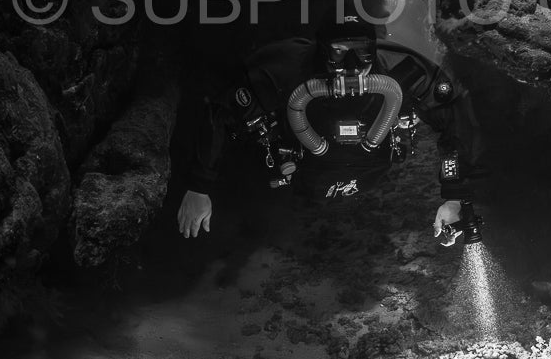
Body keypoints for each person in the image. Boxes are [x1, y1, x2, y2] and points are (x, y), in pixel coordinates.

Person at [177, 14, 484, 245]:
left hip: (372, 172)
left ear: (374, 49)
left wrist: (454, 193)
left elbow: (453, 116)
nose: (351, 64)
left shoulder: (403, 70)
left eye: (362, 52)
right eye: (338, 51)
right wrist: (199, 186)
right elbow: (221, 114)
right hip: (299, 178)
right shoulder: (285, 70)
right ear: (320, 50)